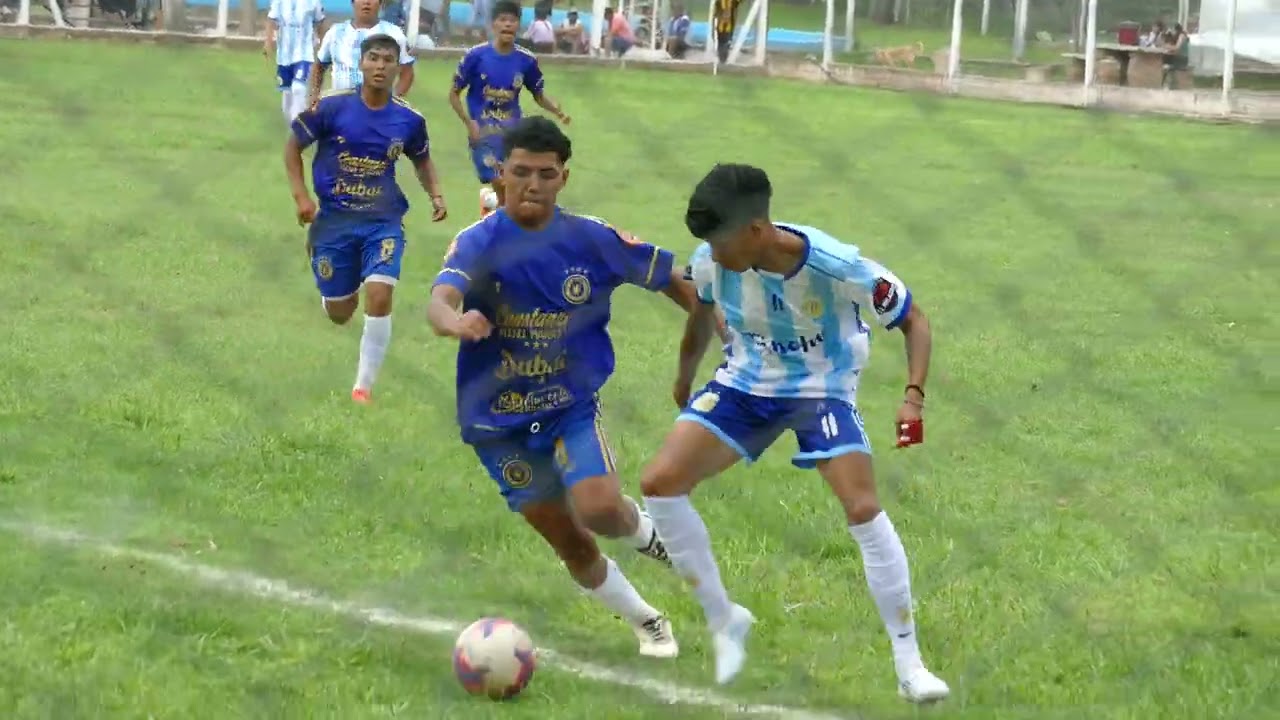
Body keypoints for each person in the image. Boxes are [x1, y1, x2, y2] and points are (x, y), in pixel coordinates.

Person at [638, 163, 951, 704]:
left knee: (861, 508)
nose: (711, 254)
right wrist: (685, 375)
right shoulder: (713, 261)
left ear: (757, 230)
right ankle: (724, 617)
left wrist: (912, 396)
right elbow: (700, 312)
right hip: (746, 383)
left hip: (821, 389)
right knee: (660, 483)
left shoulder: (840, 268)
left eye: (720, 241)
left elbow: (914, 319)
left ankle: (909, 664)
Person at [426, 117, 703, 658]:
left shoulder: (590, 238)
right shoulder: (478, 242)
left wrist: (720, 322)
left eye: (546, 174)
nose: (533, 184)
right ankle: (649, 622)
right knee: (572, 544)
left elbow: (672, 277)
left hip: (567, 404)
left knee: (600, 508)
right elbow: (440, 299)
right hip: (495, 422)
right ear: (500, 174)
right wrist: (453, 322)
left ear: (563, 178)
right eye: (521, 172)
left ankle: (648, 536)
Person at [285, 34, 448, 404]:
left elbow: (421, 159)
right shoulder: (331, 108)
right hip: (334, 221)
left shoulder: (408, 119)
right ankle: (332, 270)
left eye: (387, 60)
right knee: (341, 313)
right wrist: (301, 197)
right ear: (360, 64)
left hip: (383, 220)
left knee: (379, 293)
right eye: (373, 58)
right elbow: (293, 146)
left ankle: (363, 388)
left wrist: (435, 194)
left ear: (397, 68)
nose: (379, 66)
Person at [450, 0, 570, 219]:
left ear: (518, 25)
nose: (507, 25)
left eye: (512, 20)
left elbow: (538, 94)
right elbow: (453, 94)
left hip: (512, 134)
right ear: (493, 24)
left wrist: (557, 111)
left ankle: (493, 209)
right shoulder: (475, 56)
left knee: (512, 187)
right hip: (483, 133)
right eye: (502, 20)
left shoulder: (526, 60)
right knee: (499, 181)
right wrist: (470, 123)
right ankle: (496, 213)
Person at [309, 0, 416, 105]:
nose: (367, 2)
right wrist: (315, 95)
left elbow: (407, 72)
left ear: (380, 3)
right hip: (341, 107)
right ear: (352, 2)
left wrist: (393, 100)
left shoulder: (394, 33)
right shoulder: (335, 32)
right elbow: (319, 66)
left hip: (376, 109)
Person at [265, 0, 326, 125]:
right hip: (284, 56)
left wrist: (324, 47)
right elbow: (271, 20)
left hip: (304, 54)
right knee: (287, 96)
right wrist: (268, 42)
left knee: (298, 89)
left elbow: (320, 23)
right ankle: (294, 127)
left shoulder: (313, 2)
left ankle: (299, 127)